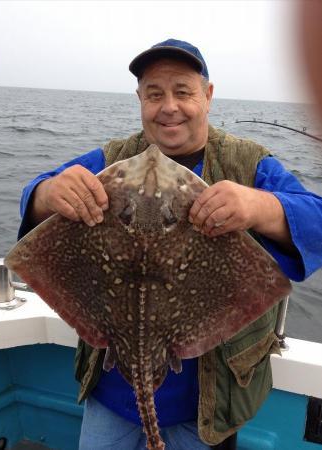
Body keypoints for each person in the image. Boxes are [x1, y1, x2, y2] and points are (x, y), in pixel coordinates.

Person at [18, 39, 322, 450]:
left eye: (183, 91)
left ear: (208, 96)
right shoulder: (114, 159)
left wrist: (258, 205)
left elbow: (316, 219)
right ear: (140, 100)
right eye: (154, 94)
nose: (169, 106)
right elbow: (33, 196)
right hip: (111, 394)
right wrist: (48, 192)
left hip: (206, 407)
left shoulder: (249, 164)